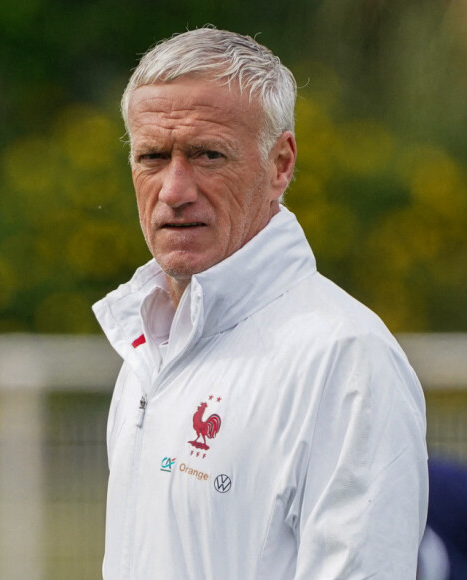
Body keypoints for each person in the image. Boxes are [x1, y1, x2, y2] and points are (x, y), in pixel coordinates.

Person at [93, 27, 428, 579]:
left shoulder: (345, 356)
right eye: (152, 156)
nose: (174, 189)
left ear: (280, 164)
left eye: (207, 155)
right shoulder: (149, 346)